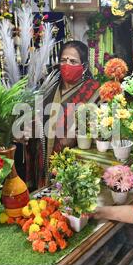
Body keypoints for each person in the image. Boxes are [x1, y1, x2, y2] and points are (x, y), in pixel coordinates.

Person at [25, 40, 100, 189]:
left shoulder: (93, 91)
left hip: (74, 163)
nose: (67, 65)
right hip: (45, 157)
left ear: (84, 67)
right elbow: (36, 118)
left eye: (73, 61)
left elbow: (98, 130)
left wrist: (77, 136)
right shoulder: (49, 87)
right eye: (63, 60)